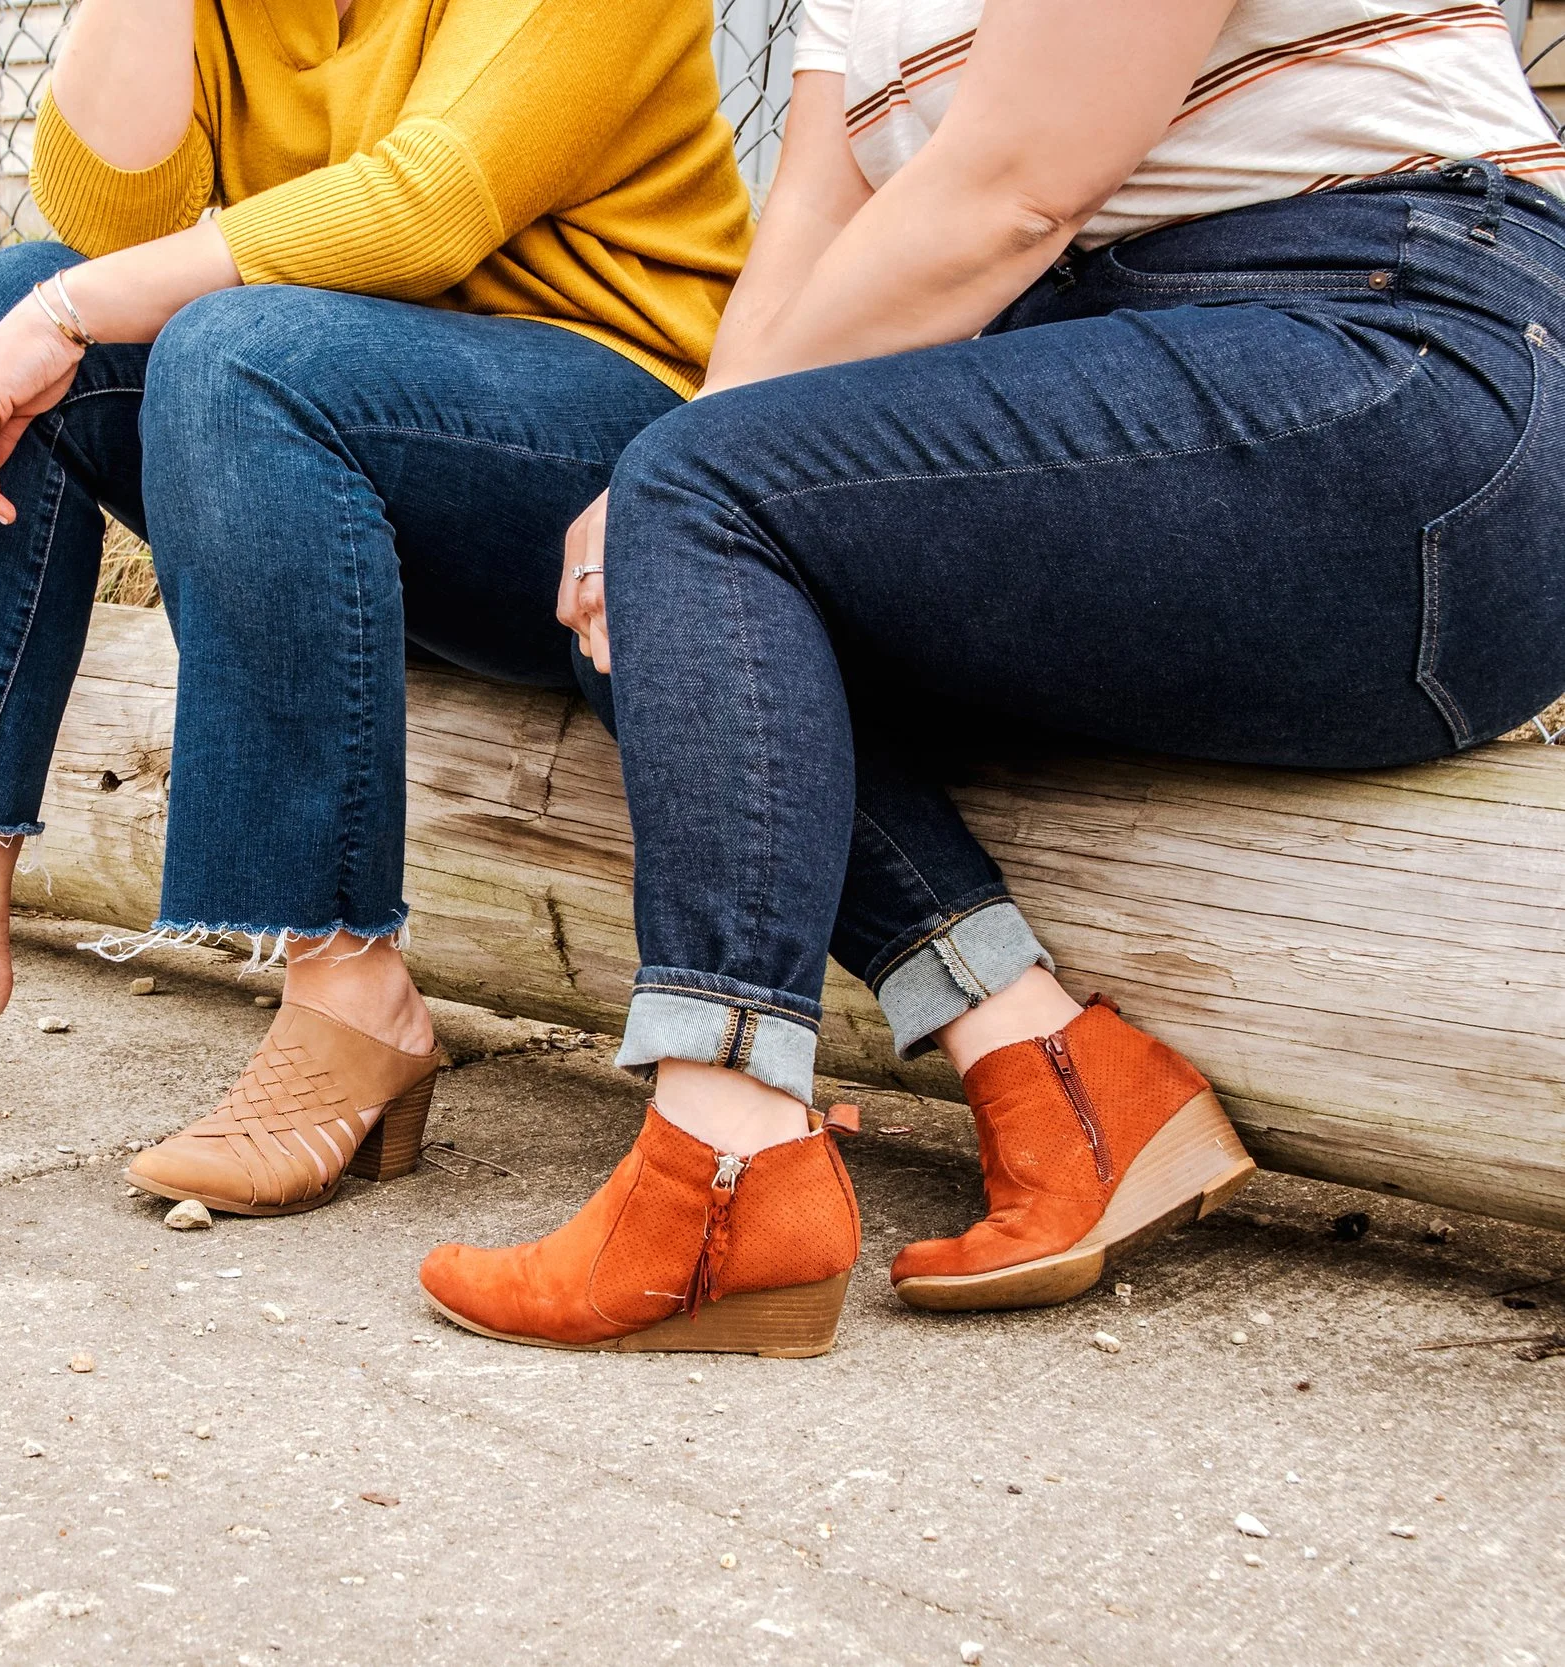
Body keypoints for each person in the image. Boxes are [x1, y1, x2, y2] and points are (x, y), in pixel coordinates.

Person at [420, 0, 1565, 1354]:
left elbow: (1018, 186)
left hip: (1405, 379)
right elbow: (807, 238)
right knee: (652, 583)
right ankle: (1060, 1075)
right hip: (1172, 413)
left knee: (682, 500)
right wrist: (660, 497)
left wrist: (680, 478)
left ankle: (719, 1159)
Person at [0, 0, 752, 1215]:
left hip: (607, 458)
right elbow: (114, 223)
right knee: (10, 287)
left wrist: (72, 313)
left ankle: (351, 997)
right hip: (341, 409)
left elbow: (425, 207)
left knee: (208, 342)